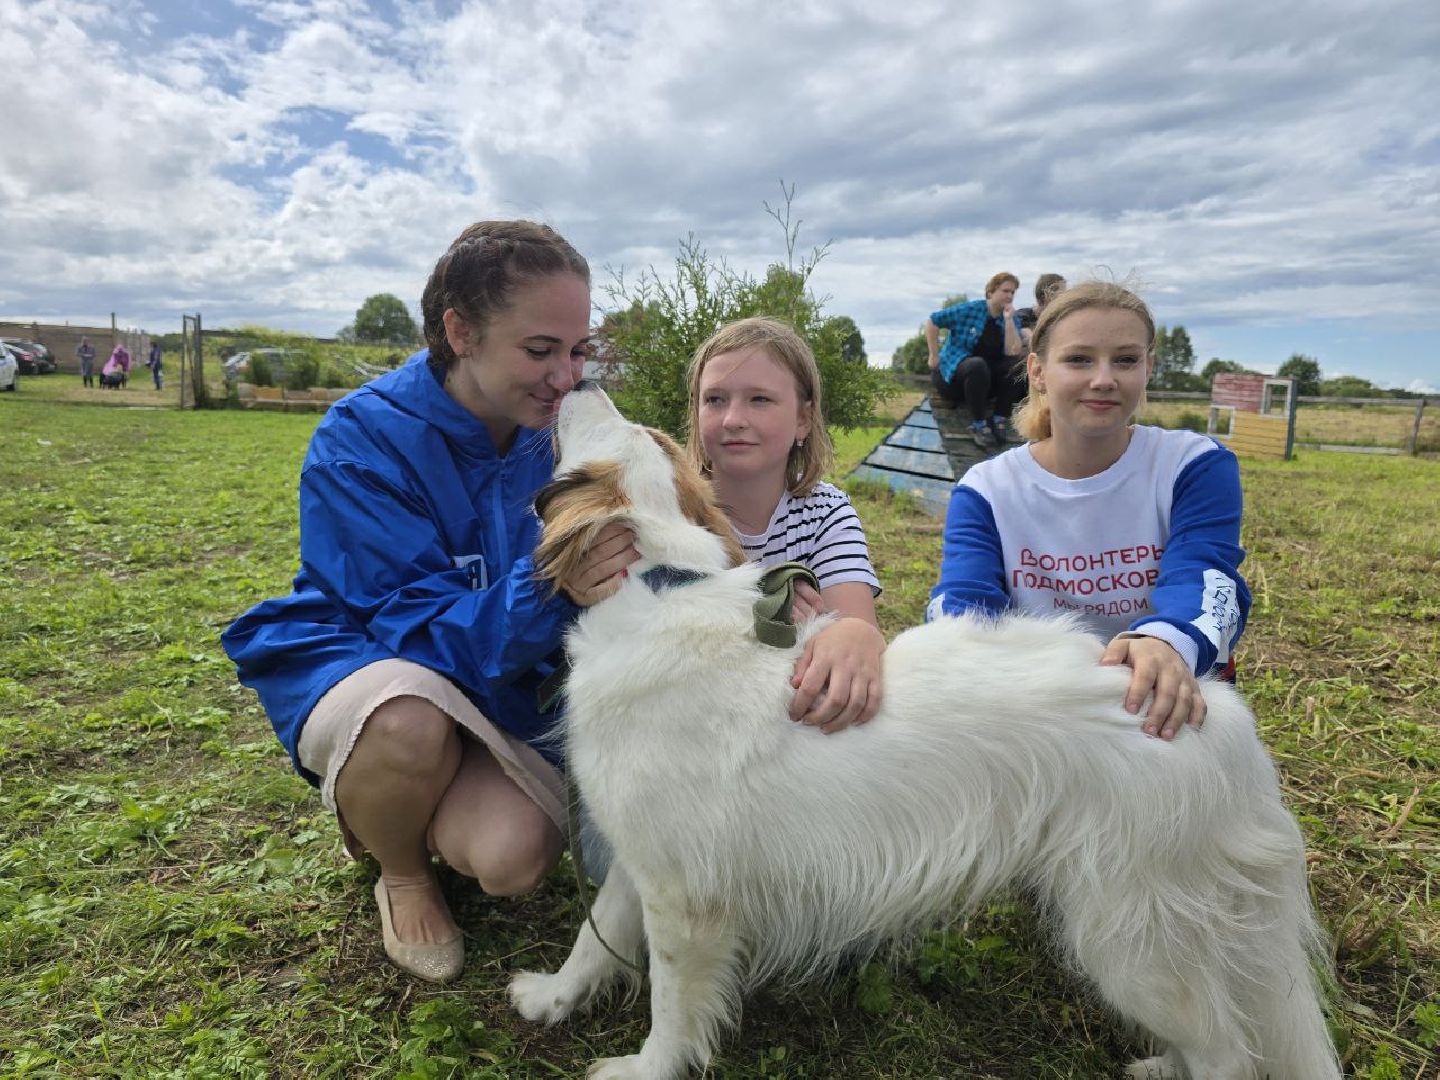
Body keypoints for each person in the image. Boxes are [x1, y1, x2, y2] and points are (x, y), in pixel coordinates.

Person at [221, 220, 630, 984]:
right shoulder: (362, 438)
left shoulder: (563, 431)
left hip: (504, 674)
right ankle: (400, 867)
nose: (565, 377)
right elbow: (410, 630)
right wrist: (551, 582)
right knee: (408, 720)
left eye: (578, 352)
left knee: (512, 861)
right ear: (460, 330)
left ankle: (413, 797)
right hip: (387, 666)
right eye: (540, 351)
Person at [927, 281, 1250, 741]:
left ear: (1148, 368)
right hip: (1047, 709)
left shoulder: (1193, 464)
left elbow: (1205, 577)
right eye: (1079, 359)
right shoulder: (985, 489)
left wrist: (1164, 642)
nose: (1104, 379)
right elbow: (964, 609)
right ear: (1037, 371)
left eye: (1125, 359)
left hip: (1164, 700)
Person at [685, 316, 885, 732]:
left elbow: (853, 626)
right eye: (715, 399)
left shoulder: (826, 512)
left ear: (803, 420)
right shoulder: (675, 515)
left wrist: (855, 635)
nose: (732, 419)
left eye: (759, 399)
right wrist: (757, 603)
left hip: (789, 733)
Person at [926, 273, 1026, 449]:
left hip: (985, 384)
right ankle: (979, 424)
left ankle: (999, 418)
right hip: (954, 377)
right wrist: (933, 355)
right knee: (977, 364)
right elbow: (933, 321)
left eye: (1012, 292)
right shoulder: (970, 310)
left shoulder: (1011, 317)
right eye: (1005, 291)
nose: (1009, 296)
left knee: (1019, 364)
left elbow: (1013, 350)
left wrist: (1009, 320)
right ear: (991, 292)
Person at [1015, 272, 1067, 349]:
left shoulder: (1060, 318)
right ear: (1046, 295)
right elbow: (1032, 340)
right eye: (1061, 294)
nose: (1065, 297)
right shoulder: (1022, 317)